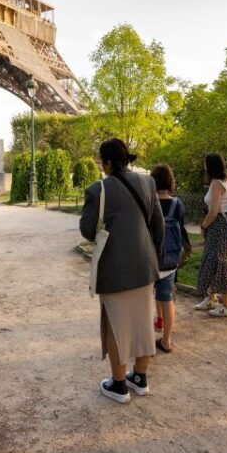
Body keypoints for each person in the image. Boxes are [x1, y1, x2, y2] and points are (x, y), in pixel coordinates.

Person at [80, 139, 165, 404]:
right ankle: (140, 377)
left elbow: (87, 230)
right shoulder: (148, 182)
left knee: (116, 326)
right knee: (143, 322)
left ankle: (118, 384)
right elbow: (158, 225)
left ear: (106, 162)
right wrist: (153, 255)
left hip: (114, 269)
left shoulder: (98, 189)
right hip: (144, 265)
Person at [150, 163, 191, 353]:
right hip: (170, 260)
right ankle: (166, 339)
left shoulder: (149, 202)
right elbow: (181, 228)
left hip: (150, 258)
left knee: (146, 295)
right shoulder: (177, 204)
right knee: (167, 297)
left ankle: (152, 329)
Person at [193, 153, 227, 317]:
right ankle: (212, 299)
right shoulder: (225, 182)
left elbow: (214, 211)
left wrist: (204, 225)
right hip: (222, 227)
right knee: (214, 261)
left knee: (220, 263)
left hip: (217, 226)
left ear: (209, 166)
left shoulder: (216, 184)